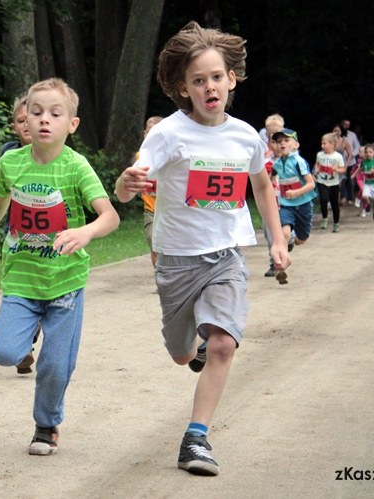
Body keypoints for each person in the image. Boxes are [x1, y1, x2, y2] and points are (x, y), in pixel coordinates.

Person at [114, 21, 290, 476]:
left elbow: (262, 186)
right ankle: (191, 348)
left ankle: (196, 438)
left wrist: (277, 239)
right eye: (198, 80)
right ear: (183, 88)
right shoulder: (168, 134)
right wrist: (127, 184)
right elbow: (130, 184)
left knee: (224, 344)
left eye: (216, 77)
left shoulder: (246, 136)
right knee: (181, 353)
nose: (209, 87)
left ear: (231, 79)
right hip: (176, 261)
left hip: (226, 256)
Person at [0, 77, 119, 456]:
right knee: (4, 352)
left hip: (65, 280)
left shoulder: (76, 167)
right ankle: (28, 328)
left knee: (54, 365)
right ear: (25, 120)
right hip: (21, 278)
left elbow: (110, 216)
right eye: (35, 113)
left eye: (55, 113)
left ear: (72, 124)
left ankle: (46, 426)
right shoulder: (10, 163)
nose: (44, 120)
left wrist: (85, 232)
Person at [0, 93, 40, 375]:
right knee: (17, 285)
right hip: (15, 234)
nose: (26, 125)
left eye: (30, 119)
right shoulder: (8, 154)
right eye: (20, 121)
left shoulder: (55, 154)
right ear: (14, 127)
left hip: (48, 237)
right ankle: (23, 347)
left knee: (40, 286)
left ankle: (29, 333)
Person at [271, 128, 315, 284]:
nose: (282, 143)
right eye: (279, 141)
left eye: (286, 140)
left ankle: (293, 240)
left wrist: (296, 192)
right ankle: (280, 266)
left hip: (303, 205)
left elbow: (311, 184)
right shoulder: (277, 163)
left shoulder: (299, 162)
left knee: (301, 240)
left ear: (296, 145)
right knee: (284, 233)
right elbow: (270, 178)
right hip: (286, 205)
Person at [137, 115, 164, 269]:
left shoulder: (170, 156)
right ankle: (159, 274)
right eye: (149, 132)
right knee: (154, 247)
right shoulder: (140, 157)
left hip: (168, 211)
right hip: (151, 211)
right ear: (144, 134)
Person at [261, 113, 285, 277]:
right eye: (272, 137)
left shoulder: (291, 157)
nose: (276, 142)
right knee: (268, 232)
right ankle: (274, 262)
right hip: (270, 201)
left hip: (286, 201)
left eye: (279, 137)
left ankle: (287, 243)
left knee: (286, 228)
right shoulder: (265, 158)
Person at [314, 132, 346, 232]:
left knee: (334, 204)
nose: (322, 145)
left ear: (332, 144)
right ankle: (325, 218)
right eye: (322, 143)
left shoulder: (338, 156)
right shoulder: (319, 155)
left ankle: (336, 223)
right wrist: (315, 171)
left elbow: (343, 169)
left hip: (334, 183)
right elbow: (317, 164)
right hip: (322, 181)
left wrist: (336, 169)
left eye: (325, 143)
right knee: (323, 199)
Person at [358, 144, 374, 221]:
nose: (368, 154)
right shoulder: (363, 161)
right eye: (366, 152)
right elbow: (361, 169)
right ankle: (368, 203)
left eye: (370, 152)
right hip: (367, 183)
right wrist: (359, 172)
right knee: (364, 196)